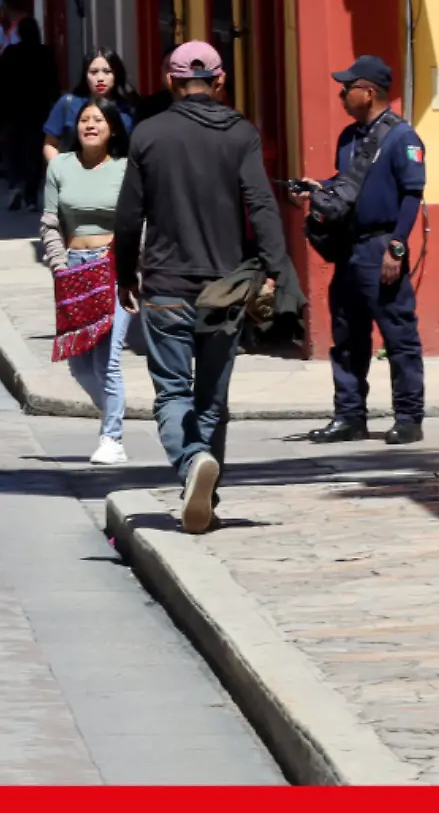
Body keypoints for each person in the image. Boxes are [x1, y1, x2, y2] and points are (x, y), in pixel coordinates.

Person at [114, 41, 291, 534]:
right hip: (226, 289)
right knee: (212, 399)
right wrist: (275, 268)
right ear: (220, 82)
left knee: (173, 394)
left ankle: (192, 463)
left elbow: (129, 216)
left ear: (170, 82)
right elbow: (260, 203)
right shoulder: (241, 134)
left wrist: (125, 273)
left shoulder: (148, 134)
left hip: (166, 286)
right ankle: (206, 501)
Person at [300, 55, 427, 445]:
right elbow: (346, 185)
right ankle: (350, 416)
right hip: (349, 249)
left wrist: (397, 247)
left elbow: (411, 194)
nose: (340, 94)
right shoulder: (348, 137)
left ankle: (408, 417)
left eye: (346, 87)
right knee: (347, 336)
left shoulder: (401, 137)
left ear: (368, 92)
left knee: (398, 335)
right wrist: (316, 189)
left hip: (381, 246)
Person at [42, 96, 133, 465]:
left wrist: (132, 267)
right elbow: (50, 222)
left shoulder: (127, 169)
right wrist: (60, 266)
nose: (90, 125)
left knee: (107, 361)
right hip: (73, 268)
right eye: (83, 120)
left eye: (98, 120)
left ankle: (113, 438)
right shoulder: (60, 167)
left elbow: (137, 221)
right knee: (78, 363)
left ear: (112, 129)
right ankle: (112, 412)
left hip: (112, 267)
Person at [0, 18, 60, 211]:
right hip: (37, 110)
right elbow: (53, 82)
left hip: (13, 109)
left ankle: (15, 185)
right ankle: (31, 197)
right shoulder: (45, 53)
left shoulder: (11, 53)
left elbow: (2, 83)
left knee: (13, 151)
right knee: (33, 153)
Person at [44, 48, 139, 166]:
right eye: (93, 72)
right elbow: (50, 144)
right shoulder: (68, 103)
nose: (100, 78)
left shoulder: (128, 108)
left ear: (116, 74)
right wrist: (60, 170)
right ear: (85, 75)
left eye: (107, 71)